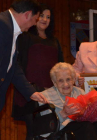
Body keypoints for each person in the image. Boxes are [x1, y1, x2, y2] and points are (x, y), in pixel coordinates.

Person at [12, 4, 64, 140]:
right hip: (31, 92)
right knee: (34, 131)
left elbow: (61, 67)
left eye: (48, 17)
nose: (45, 19)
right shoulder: (25, 37)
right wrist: (27, 87)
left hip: (51, 94)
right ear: (35, 17)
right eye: (42, 16)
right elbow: (18, 63)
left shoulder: (55, 41)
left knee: (50, 131)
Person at [39, 62, 97, 140]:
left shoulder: (80, 92)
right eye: (60, 81)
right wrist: (63, 114)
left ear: (73, 79)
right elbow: (45, 128)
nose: (65, 84)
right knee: (85, 126)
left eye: (68, 79)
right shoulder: (45, 97)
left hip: (81, 130)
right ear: (54, 82)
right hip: (59, 134)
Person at [0, 0, 47, 112]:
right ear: (27, 15)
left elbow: (12, 66)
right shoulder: (2, 25)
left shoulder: (11, 30)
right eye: (35, 20)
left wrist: (30, 92)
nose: (35, 24)